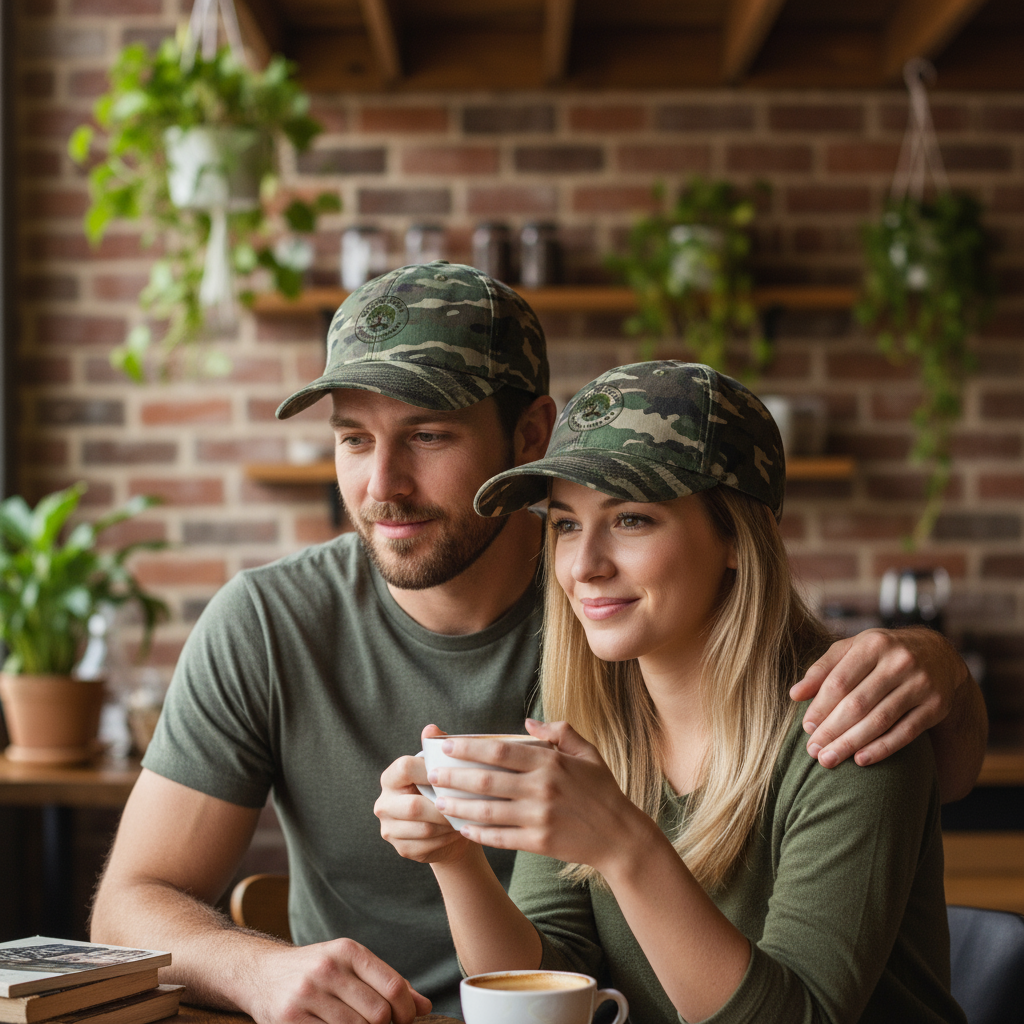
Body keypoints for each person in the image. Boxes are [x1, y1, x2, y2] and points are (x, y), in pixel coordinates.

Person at [91, 263, 984, 1024]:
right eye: (354, 440)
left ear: (528, 433)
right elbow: (554, 969)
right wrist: (440, 866)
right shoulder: (595, 688)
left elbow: (910, 763)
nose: (382, 485)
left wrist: (940, 669)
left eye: (429, 435)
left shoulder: (771, 693)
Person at [377, 361, 967, 1024]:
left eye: (631, 520)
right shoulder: (582, 712)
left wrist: (622, 845)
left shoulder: (849, 723)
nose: (585, 565)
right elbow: (551, 978)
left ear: (737, 540)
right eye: (566, 524)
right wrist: (454, 860)